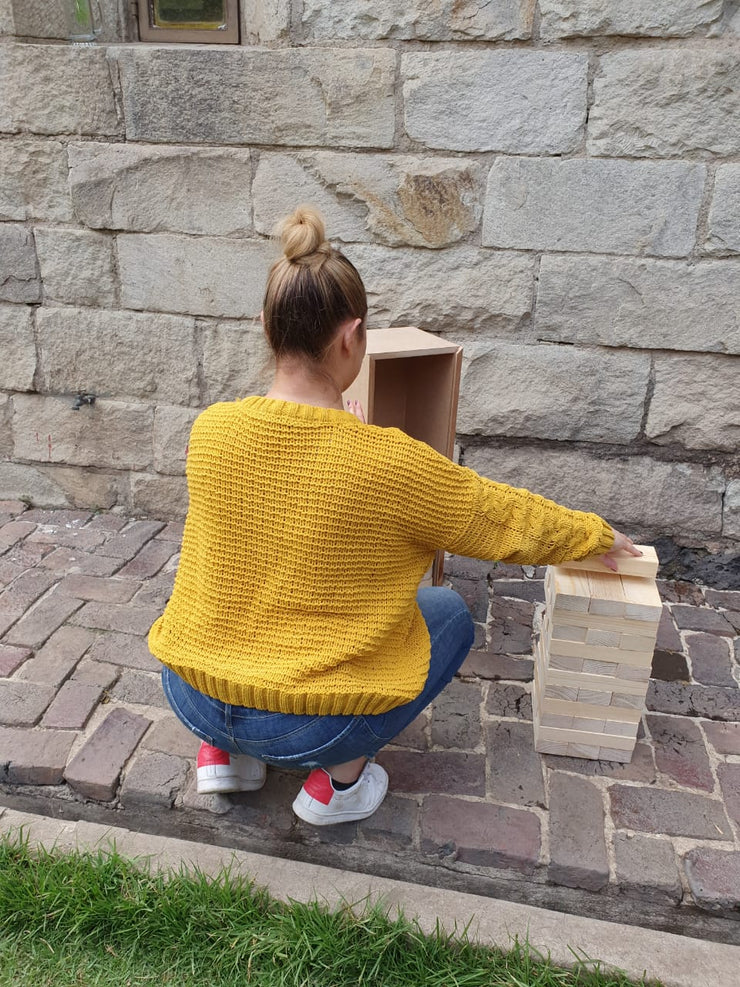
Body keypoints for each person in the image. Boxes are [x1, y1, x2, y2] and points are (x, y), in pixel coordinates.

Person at [148, 205, 640, 827]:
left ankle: (224, 757)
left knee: (244, 588)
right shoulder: (392, 465)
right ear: (351, 336)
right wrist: (594, 535)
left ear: (266, 328)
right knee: (448, 614)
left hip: (192, 693)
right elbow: (502, 518)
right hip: (307, 730)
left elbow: (285, 506)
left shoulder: (211, 431)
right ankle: (337, 786)